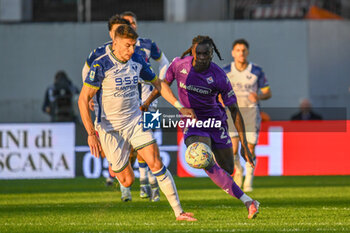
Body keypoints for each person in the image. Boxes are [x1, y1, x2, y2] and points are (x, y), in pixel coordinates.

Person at [78, 24, 197, 221]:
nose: (132, 50)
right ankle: (118, 164)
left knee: (156, 162)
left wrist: (179, 107)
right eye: (127, 46)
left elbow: (159, 84)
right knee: (126, 180)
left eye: (133, 45)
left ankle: (179, 212)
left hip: (135, 120)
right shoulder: (101, 64)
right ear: (115, 43)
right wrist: (91, 133)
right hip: (109, 127)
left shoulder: (137, 59)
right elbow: (83, 99)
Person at [143, 35, 260, 219]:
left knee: (228, 169)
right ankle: (248, 201)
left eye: (207, 53)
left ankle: (247, 199)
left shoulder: (219, 76)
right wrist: (146, 103)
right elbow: (163, 86)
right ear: (192, 52)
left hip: (215, 121)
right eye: (200, 53)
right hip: (192, 122)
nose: (204, 57)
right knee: (203, 158)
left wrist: (244, 144)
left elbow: (234, 110)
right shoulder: (179, 65)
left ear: (212, 53)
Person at [120, 11, 169, 202]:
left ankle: (147, 184)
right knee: (129, 147)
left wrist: (162, 79)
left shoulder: (148, 44)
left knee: (149, 140)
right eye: (126, 22)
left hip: (151, 100)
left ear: (136, 24)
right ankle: (131, 187)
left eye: (132, 22)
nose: (130, 24)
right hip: (127, 100)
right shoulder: (116, 48)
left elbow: (164, 61)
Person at [222, 39, 271, 192]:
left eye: (243, 50)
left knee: (249, 147)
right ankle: (239, 170)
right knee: (233, 149)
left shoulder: (257, 71)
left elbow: (267, 92)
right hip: (232, 113)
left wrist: (259, 97)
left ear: (247, 52)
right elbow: (217, 91)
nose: (241, 53)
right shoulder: (225, 71)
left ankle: (249, 180)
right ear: (233, 53)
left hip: (250, 113)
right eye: (238, 50)